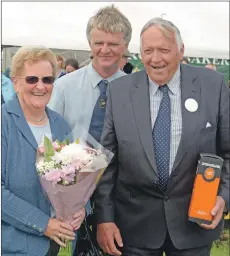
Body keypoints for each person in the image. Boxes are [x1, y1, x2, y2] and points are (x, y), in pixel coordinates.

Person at [94, 17, 229, 256]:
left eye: (164, 50)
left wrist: (223, 197)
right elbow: (108, 162)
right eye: (148, 51)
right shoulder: (120, 91)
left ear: (181, 50)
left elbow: (228, 152)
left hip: (194, 225)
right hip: (133, 228)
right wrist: (104, 218)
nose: (155, 58)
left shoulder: (213, 85)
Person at [1, 46, 86, 256]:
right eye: (32, 79)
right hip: (16, 247)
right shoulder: (4, 123)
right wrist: (43, 224)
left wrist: (82, 208)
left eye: (47, 80)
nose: (40, 86)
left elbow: (77, 180)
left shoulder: (60, 124)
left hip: (63, 246)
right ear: (15, 82)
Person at [49, 5, 132, 143]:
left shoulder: (135, 91)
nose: (105, 50)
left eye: (112, 44)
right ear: (89, 43)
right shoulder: (63, 87)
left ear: (126, 45)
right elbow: (49, 139)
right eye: (99, 43)